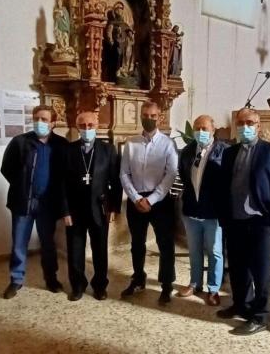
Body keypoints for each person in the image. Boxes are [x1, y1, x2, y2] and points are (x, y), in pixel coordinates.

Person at [216, 108, 270, 335]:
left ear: (259, 126)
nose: (245, 126)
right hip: (235, 220)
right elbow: (225, 187)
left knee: (261, 272)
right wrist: (224, 217)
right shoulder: (230, 153)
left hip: (260, 222)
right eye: (241, 123)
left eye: (250, 122)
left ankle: (260, 316)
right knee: (238, 269)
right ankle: (241, 305)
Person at [1, 105, 68, 299]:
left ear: (53, 123)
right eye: (37, 118)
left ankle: (51, 278)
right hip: (23, 202)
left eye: (45, 119)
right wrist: (23, 187)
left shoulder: (61, 144)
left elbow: (64, 174)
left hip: (48, 205)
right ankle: (16, 280)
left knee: (48, 243)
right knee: (19, 243)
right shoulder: (20, 142)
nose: (40, 122)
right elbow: (7, 169)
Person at [120, 100, 178, 304]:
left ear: (159, 117)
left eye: (153, 116)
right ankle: (138, 278)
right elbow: (124, 173)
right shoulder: (131, 143)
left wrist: (151, 199)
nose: (149, 119)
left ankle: (166, 284)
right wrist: (136, 198)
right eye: (145, 115)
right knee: (137, 243)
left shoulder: (168, 144)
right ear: (141, 116)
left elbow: (170, 175)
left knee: (165, 244)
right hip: (136, 200)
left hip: (160, 201)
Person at [62, 111, 121, 301]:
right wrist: (65, 211)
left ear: (97, 126)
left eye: (90, 125)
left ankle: (100, 286)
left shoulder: (108, 150)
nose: (87, 129)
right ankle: (78, 285)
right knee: (75, 250)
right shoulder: (69, 150)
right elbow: (61, 184)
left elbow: (115, 182)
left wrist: (113, 208)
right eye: (83, 126)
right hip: (75, 210)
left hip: (99, 209)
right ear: (77, 127)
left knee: (100, 250)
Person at [176, 115, 227, 306]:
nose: (200, 132)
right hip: (191, 210)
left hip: (214, 213)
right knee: (194, 250)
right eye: (197, 128)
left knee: (215, 252)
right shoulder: (188, 151)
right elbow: (183, 176)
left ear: (213, 130)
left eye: (205, 128)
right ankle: (195, 283)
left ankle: (213, 289)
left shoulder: (224, 151)